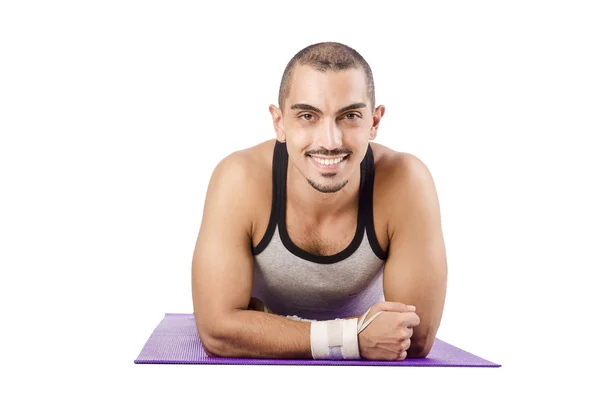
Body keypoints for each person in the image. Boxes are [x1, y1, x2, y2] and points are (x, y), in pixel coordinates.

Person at [191, 42, 447, 361]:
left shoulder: (406, 180)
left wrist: (260, 326)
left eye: (350, 115)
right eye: (307, 115)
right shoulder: (239, 178)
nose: (330, 142)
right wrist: (353, 336)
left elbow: (413, 338)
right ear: (279, 122)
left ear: (375, 122)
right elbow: (218, 331)